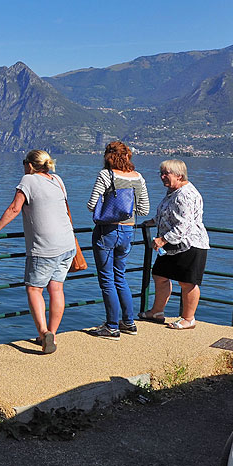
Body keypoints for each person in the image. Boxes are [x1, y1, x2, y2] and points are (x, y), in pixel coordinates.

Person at [0, 150, 77, 354]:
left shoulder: (28, 180)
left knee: (34, 289)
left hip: (45, 247)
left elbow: (15, 209)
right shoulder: (57, 179)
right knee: (57, 289)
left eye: (25, 162)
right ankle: (53, 334)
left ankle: (43, 333)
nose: (23, 166)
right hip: (67, 244)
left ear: (31, 166)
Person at [86, 141, 150, 339]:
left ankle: (112, 326)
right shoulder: (138, 178)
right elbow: (144, 210)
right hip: (128, 232)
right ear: (128, 156)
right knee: (120, 277)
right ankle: (128, 323)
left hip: (107, 231)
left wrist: (109, 208)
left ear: (108, 157)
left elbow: (91, 205)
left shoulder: (106, 175)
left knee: (107, 280)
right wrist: (125, 209)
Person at [138, 159, 209, 329]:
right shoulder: (173, 191)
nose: (162, 177)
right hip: (172, 244)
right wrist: (153, 221)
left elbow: (185, 224)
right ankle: (156, 312)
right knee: (160, 275)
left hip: (190, 244)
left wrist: (163, 239)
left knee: (187, 282)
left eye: (166, 173)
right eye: (161, 173)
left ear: (179, 175)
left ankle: (188, 318)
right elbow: (168, 214)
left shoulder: (185, 194)